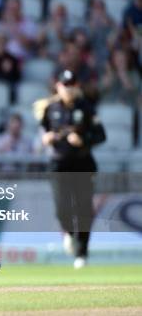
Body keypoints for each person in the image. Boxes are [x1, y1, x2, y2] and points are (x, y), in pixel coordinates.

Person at [40, 70, 106, 269]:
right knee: (62, 208)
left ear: (77, 87)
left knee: (84, 209)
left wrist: (83, 140)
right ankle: (69, 234)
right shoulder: (50, 109)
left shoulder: (86, 108)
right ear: (58, 86)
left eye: (71, 85)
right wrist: (46, 138)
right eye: (64, 85)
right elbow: (43, 131)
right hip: (59, 164)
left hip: (83, 163)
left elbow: (101, 135)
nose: (68, 89)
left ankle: (82, 252)